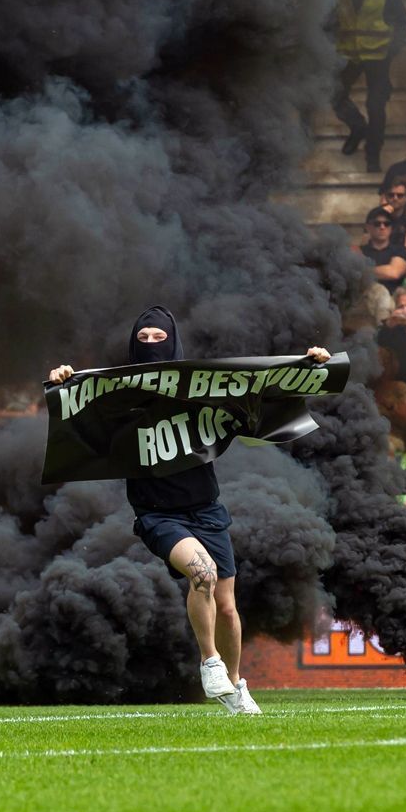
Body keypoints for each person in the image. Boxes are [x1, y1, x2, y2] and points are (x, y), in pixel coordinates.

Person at [47, 306, 332, 715]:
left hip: (207, 510)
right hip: (157, 515)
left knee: (228, 607)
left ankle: (236, 685)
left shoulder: (203, 387)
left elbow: (261, 389)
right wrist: (64, 380)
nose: (149, 345)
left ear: (173, 341)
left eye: (157, 338)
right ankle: (209, 662)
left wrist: (307, 365)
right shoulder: (118, 395)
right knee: (202, 574)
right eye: (142, 339)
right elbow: (76, 412)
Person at [333, 0, 406, 173]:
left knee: (376, 106)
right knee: (332, 93)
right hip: (349, 56)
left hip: (378, 56)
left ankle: (373, 155)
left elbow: (403, 22)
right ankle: (358, 126)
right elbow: (328, 23)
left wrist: (392, 50)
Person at [355, 207, 406, 285]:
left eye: (387, 224)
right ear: (368, 227)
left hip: (393, 296)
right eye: (377, 224)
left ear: (391, 228)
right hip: (364, 295)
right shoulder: (359, 252)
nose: (382, 227)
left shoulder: (401, 250)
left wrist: (362, 272)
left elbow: (394, 273)